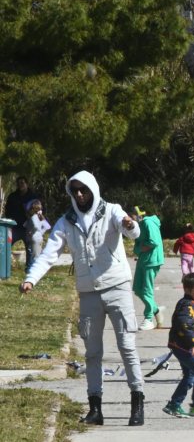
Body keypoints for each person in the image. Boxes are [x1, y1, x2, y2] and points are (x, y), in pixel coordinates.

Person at [20, 171, 146, 426]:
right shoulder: (66, 221)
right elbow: (48, 254)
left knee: (127, 347)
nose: (79, 194)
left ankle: (137, 403)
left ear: (93, 189)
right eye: (75, 190)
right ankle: (95, 409)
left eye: (84, 189)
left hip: (117, 286)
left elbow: (131, 231)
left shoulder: (111, 210)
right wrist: (31, 278)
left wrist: (130, 224)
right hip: (88, 292)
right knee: (92, 352)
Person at [163, 272, 194, 418]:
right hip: (184, 346)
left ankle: (173, 405)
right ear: (187, 290)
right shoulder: (187, 305)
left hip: (184, 345)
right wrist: (193, 344)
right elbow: (184, 325)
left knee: (190, 376)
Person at [132, 209, 165, 331]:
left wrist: (142, 247)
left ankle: (148, 318)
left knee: (146, 290)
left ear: (137, 216)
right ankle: (156, 309)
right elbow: (136, 249)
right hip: (142, 260)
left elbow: (153, 242)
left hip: (152, 261)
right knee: (137, 289)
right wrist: (141, 247)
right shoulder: (137, 227)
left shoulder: (147, 222)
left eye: (132, 218)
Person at [5, 177, 39, 271]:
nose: (20, 185)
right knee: (6, 246)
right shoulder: (12, 196)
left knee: (30, 249)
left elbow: (39, 212)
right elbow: (8, 210)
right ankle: (6, 266)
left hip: (28, 228)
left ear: (27, 184)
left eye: (22, 183)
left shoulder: (33, 197)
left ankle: (30, 269)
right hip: (14, 226)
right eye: (19, 183)